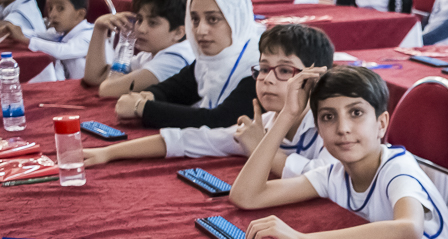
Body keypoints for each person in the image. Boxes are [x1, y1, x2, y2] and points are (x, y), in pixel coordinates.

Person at [228, 66, 448, 239]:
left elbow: (409, 229)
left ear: (381, 123)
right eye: (329, 117)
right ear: (318, 128)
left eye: (356, 113)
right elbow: (247, 196)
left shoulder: (397, 167)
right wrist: (288, 114)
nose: (343, 128)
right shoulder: (333, 174)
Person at [85, 25, 333, 175]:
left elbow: (318, 177)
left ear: (314, 77)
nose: (268, 79)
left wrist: (259, 149)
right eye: (264, 68)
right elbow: (192, 139)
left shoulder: (331, 124)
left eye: (285, 71)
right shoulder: (264, 124)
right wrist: (108, 153)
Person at [114, 0, 260, 129]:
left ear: (237, 19)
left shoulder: (259, 65)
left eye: (213, 19)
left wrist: (142, 107)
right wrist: (146, 96)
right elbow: (175, 89)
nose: (200, 30)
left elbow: (221, 120)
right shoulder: (209, 59)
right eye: (195, 19)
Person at [83, 0, 193, 98]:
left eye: (153, 23)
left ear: (178, 32)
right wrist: (99, 28)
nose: (141, 29)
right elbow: (95, 78)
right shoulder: (149, 55)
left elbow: (107, 90)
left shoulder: (175, 60)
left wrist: (117, 72)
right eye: (139, 20)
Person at [0, 0, 91, 81]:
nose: (52, 14)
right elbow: (36, 34)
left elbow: (62, 51)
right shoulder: (60, 33)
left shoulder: (90, 35)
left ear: (80, 14)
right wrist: (11, 28)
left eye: (60, 9)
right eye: (50, 9)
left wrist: (25, 40)